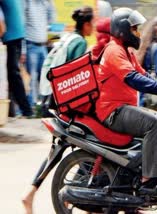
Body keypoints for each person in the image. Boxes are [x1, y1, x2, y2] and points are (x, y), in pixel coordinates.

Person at [96, 8, 157, 195]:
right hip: (113, 111)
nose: (138, 33)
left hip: (123, 108)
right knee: (152, 123)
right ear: (123, 29)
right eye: (134, 29)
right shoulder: (114, 51)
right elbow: (133, 78)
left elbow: (144, 76)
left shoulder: (127, 52)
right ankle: (149, 178)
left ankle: (138, 171)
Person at [22, 6, 94, 214]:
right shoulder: (79, 42)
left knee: (56, 152)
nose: (94, 27)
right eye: (93, 24)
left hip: (52, 99)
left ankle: (30, 194)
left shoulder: (67, 37)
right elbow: (77, 76)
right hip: (64, 103)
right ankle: (75, 197)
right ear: (87, 24)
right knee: (91, 143)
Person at [0, 0, 33, 117]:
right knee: (10, 75)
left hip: (10, 37)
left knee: (12, 75)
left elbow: (1, 26)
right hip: (17, 35)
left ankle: (26, 110)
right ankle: (12, 111)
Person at [24, 0, 55, 107]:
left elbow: (51, 20)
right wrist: (23, 50)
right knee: (31, 78)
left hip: (43, 46)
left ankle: (43, 105)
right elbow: (23, 25)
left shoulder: (45, 3)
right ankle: (31, 106)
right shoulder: (27, 2)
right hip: (30, 45)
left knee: (45, 77)